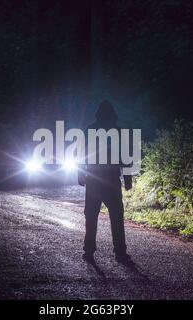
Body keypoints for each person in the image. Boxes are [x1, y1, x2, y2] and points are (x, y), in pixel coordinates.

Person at [78, 100, 133, 264]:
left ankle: (89, 250)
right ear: (113, 115)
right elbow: (126, 158)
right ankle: (120, 251)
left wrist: (80, 174)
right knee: (116, 216)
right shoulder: (119, 132)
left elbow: (82, 154)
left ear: (98, 114)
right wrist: (128, 179)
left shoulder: (90, 130)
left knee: (91, 215)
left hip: (94, 179)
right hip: (111, 180)